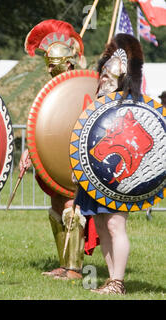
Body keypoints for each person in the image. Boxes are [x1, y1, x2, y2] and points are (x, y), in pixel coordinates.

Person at [18, 20, 95, 280]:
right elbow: (44, 125)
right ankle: (64, 264)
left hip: (76, 159)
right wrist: (31, 149)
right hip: (54, 157)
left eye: (54, 63)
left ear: (67, 62)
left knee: (72, 209)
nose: (50, 69)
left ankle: (74, 268)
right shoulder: (52, 91)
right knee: (56, 208)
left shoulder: (84, 87)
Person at [76, 33, 144, 295]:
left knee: (115, 224)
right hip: (94, 173)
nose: (103, 78)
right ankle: (112, 279)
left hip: (118, 174)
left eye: (109, 75)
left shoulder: (131, 106)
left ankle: (118, 281)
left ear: (122, 77)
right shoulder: (96, 105)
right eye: (102, 73)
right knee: (102, 225)